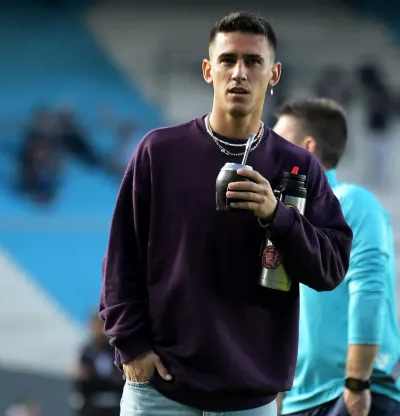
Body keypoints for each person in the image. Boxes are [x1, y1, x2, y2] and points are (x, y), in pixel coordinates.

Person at [99, 11, 353, 416]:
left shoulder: (299, 166)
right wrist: (132, 347)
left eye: (253, 62)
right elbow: (121, 258)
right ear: (208, 70)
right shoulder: (159, 152)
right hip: (160, 391)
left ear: (274, 75)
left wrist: (277, 215)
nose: (239, 73)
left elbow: (332, 267)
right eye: (228, 60)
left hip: (249, 399)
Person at [272, 98, 400, 416]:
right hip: (299, 401)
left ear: (306, 149)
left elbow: (369, 290)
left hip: (354, 394)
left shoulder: (352, 203)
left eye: (279, 142)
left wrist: (356, 383)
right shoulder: (282, 221)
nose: (270, 152)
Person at [71, 313, 125, 416]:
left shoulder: (115, 350)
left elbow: (120, 379)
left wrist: (96, 379)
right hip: (92, 405)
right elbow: (84, 381)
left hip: (116, 403)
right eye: (97, 325)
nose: (100, 330)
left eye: (102, 325)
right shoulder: (86, 352)